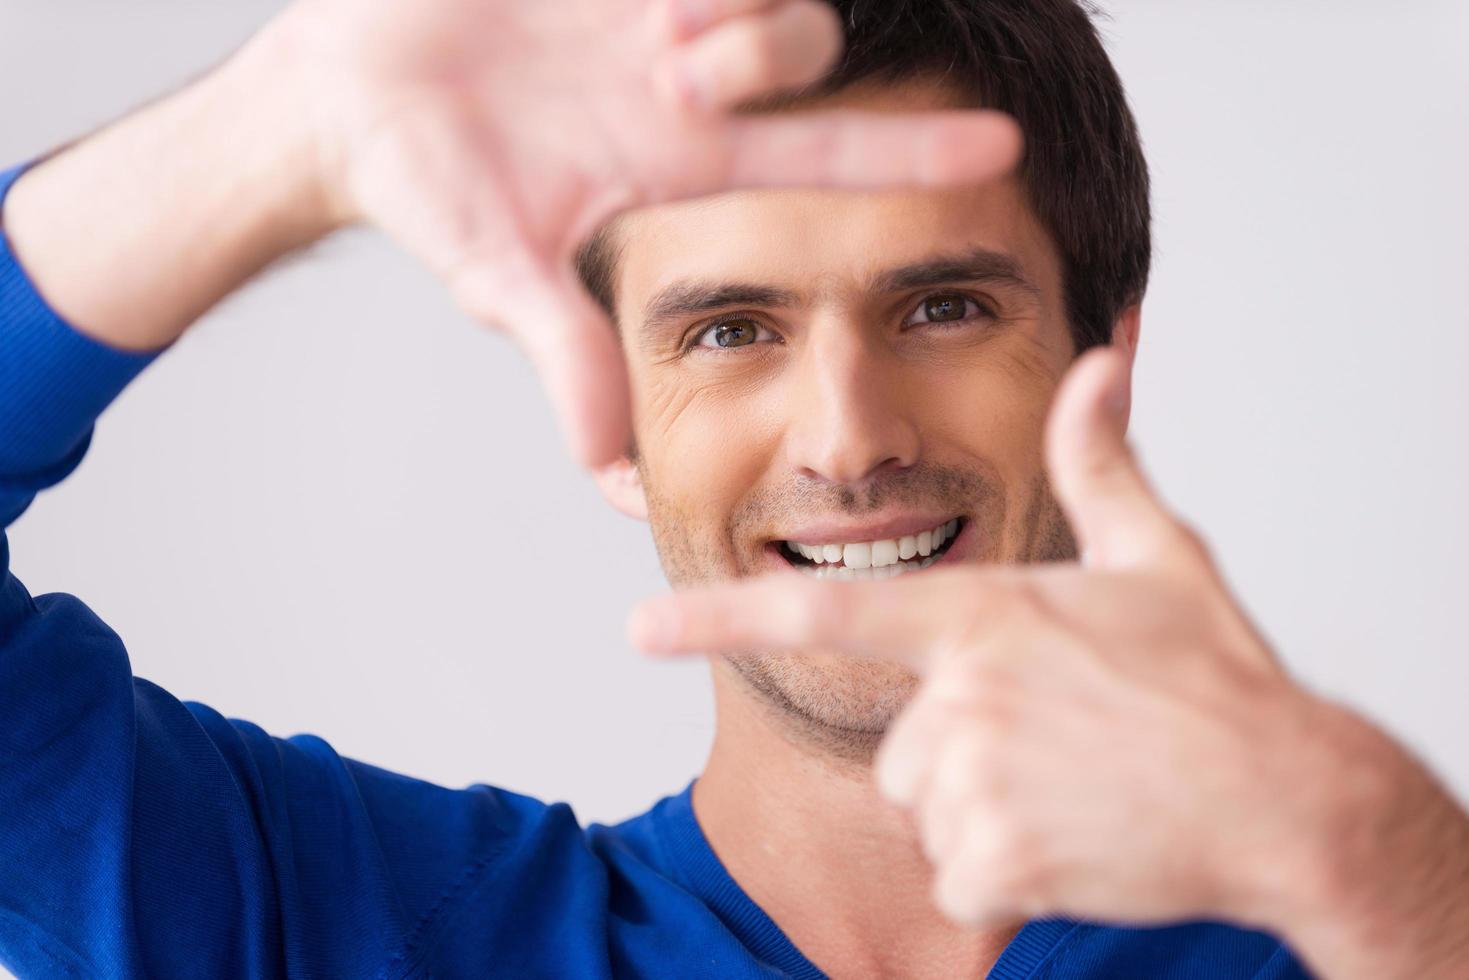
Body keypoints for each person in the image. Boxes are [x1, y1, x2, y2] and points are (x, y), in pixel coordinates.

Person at [1, 1, 1466, 978]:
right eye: (730, 331)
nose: (846, 438)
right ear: (613, 421)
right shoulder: (339, 922)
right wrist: (270, 138)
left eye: (944, 306)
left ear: (1109, 352)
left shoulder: (1372, 914)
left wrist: (1392, 877)